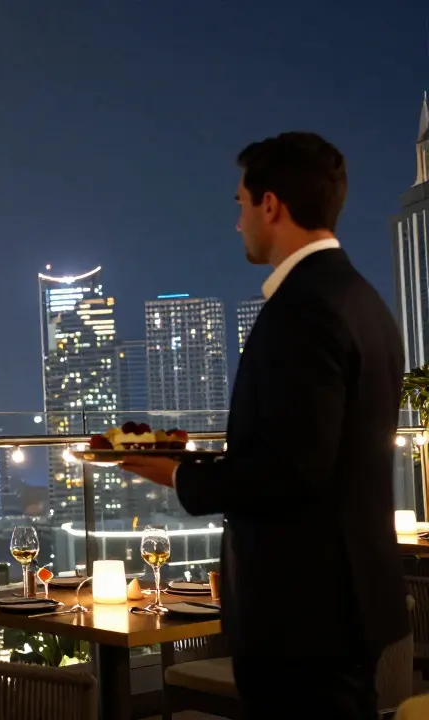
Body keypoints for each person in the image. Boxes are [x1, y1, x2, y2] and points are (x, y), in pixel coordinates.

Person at [122, 132, 408, 718]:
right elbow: (311, 449)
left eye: (240, 204)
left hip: (302, 610)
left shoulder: (302, 309)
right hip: (346, 597)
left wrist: (180, 479)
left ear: (271, 205)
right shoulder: (364, 301)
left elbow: (290, 471)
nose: (237, 223)